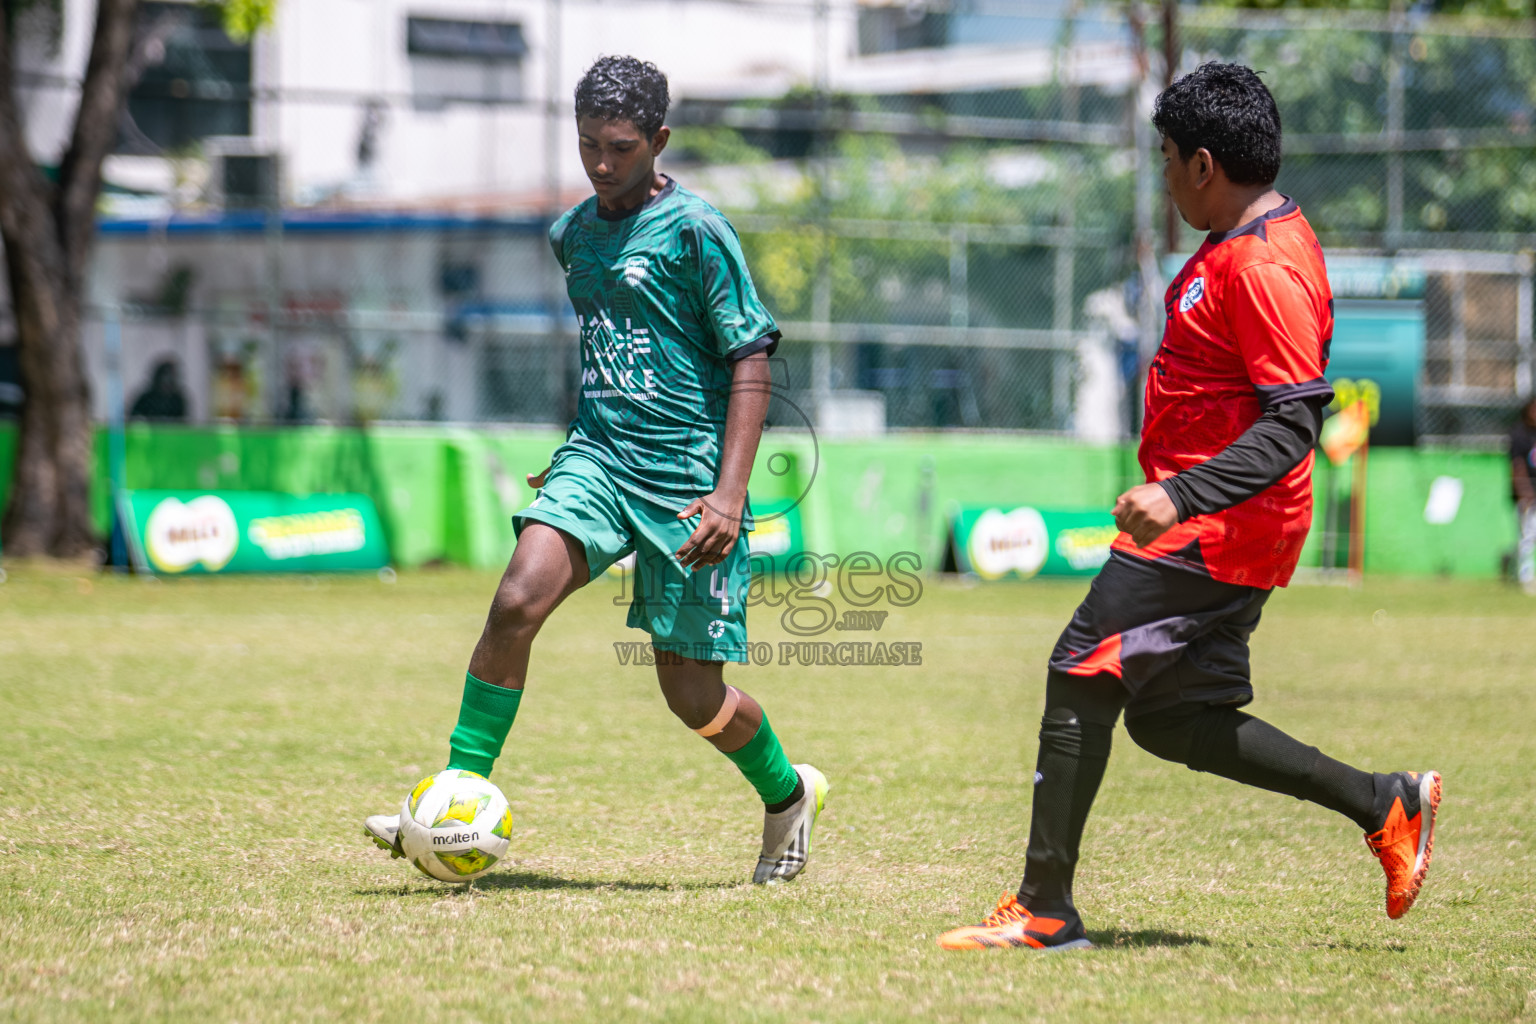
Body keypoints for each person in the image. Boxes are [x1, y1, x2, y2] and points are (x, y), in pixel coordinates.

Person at [938, 63, 1440, 951]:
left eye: (1168, 158)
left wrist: (1179, 493)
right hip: (1220, 524)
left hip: (1216, 527)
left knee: (1080, 666)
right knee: (1174, 719)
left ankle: (1045, 908)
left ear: (1204, 164)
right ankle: (1384, 803)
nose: (1164, 175)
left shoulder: (1264, 265)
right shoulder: (1237, 239)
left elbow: (1294, 422)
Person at [364, 56, 827, 883]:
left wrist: (728, 494)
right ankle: (453, 797)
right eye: (588, 146)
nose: (602, 164)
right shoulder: (572, 234)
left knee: (692, 696)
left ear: (659, 140)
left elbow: (751, 357)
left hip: (690, 484)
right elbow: (611, 349)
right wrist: (578, 448)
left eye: (620, 148)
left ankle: (789, 795)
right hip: (598, 461)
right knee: (516, 599)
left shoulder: (697, 231)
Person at [1510, 397, 1536, 595]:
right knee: (1528, 534)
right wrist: (1524, 492)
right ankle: (1524, 573)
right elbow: (1517, 466)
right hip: (1527, 494)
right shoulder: (1519, 434)